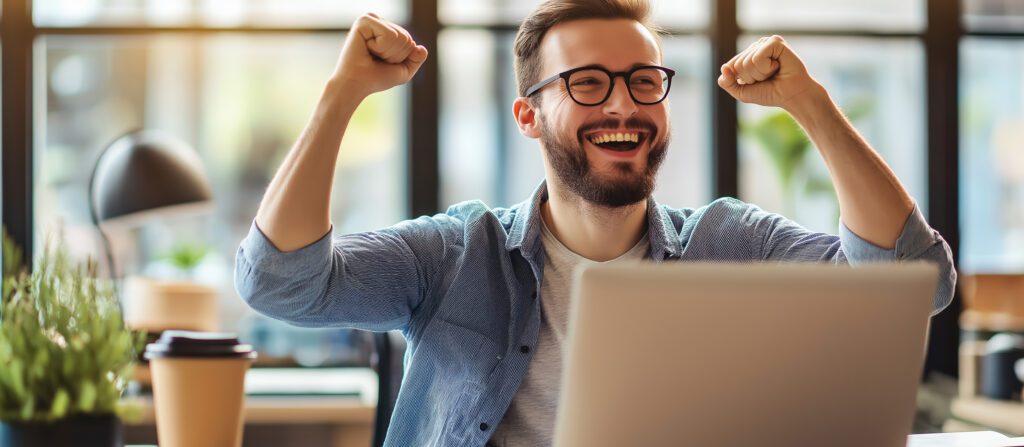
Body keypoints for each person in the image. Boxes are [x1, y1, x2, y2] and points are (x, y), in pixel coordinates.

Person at [234, 1, 955, 446]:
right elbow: (278, 282)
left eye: (645, 81)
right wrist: (343, 94)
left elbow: (913, 282)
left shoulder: (730, 244)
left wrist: (810, 103)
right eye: (587, 83)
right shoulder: (457, 252)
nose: (622, 107)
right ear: (528, 114)